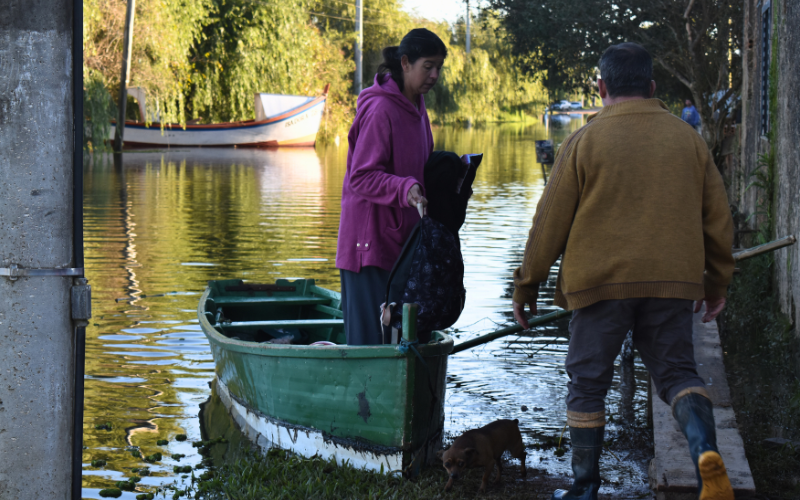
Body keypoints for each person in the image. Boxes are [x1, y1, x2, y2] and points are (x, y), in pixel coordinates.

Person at [512, 43, 735, 500]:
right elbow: (718, 219)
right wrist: (716, 283)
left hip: (598, 286)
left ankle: (585, 488)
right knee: (677, 373)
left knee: (589, 383)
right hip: (673, 281)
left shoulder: (583, 140)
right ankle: (705, 454)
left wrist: (527, 283)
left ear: (601, 87)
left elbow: (548, 222)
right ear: (653, 87)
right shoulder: (687, 138)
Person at [335, 28, 447, 345]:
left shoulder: (417, 106)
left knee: (404, 339)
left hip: (403, 245)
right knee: (371, 345)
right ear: (406, 62)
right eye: (428, 66)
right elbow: (360, 176)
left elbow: (415, 165)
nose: (435, 75)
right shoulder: (380, 109)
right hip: (368, 247)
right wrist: (404, 188)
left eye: (439, 67)